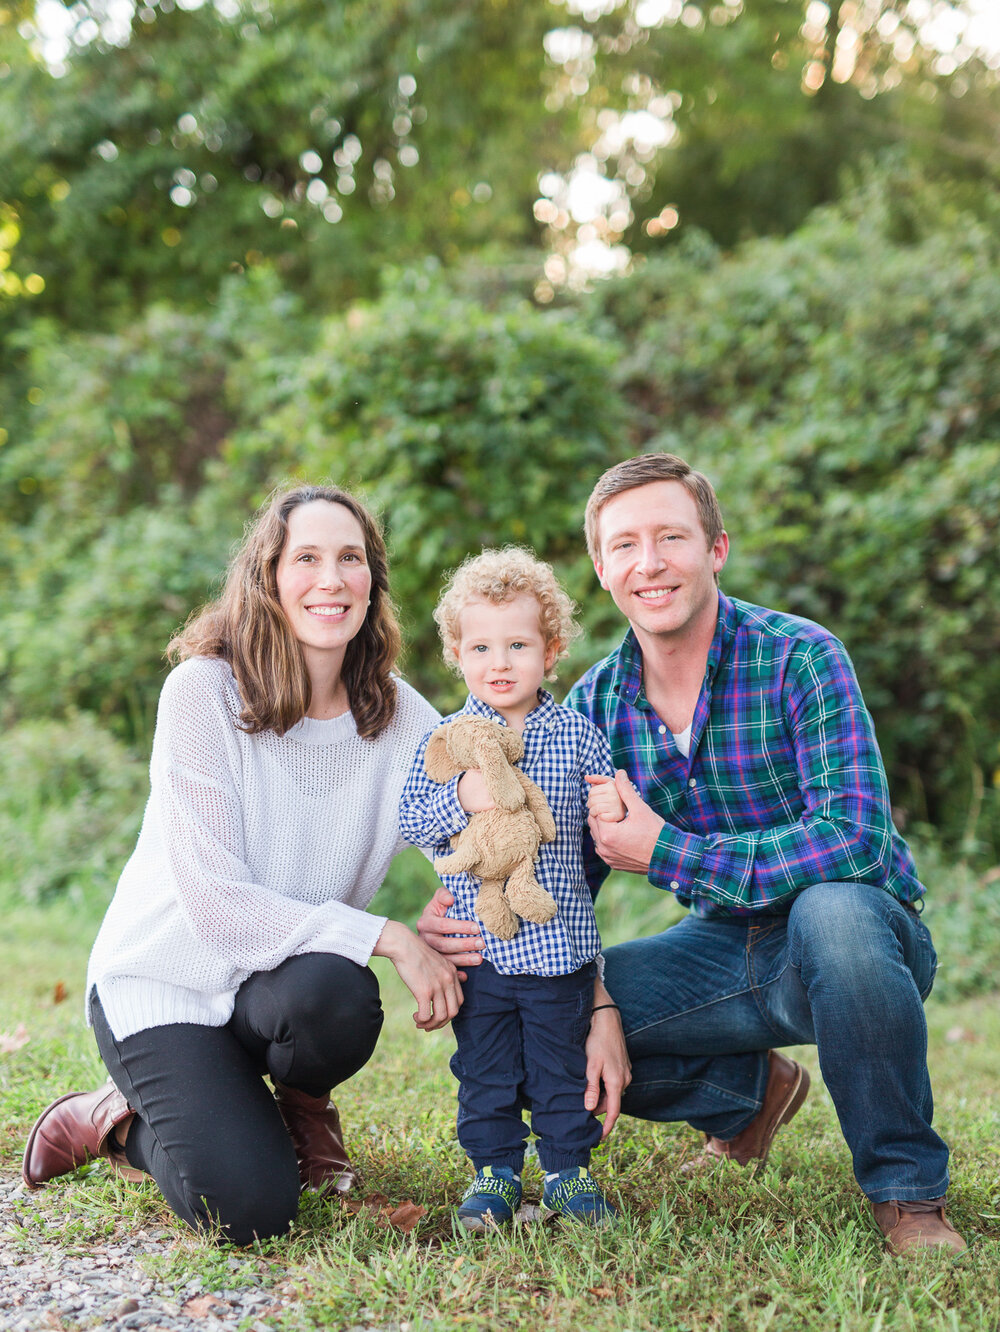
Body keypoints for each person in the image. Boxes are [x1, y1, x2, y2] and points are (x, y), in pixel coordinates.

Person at [420, 454, 965, 1257]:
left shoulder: (801, 656)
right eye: (626, 545)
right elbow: (565, 871)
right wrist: (473, 906)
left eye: (671, 537)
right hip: (722, 952)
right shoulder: (598, 704)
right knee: (550, 1016)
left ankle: (907, 1193)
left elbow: (855, 836)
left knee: (835, 913)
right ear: (603, 570)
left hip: (861, 936)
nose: (650, 563)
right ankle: (749, 1096)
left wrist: (672, 851)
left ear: (715, 549)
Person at [22, 484, 463, 1245]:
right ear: (269, 578)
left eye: (350, 559)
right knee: (253, 1211)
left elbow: (469, 835)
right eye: (308, 559)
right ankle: (115, 1120)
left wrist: (491, 912)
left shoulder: (399, 716)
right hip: (165, 982)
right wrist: (390, 934)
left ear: (372, 582)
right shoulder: (203, 694)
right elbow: (221, 908)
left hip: (276, 989)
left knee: (336, 992)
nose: (332, 579)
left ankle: (297, 1100)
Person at [398, 548, 625, 1229]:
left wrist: (613, 808)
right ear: (459, 654)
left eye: (519, 645)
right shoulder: (446, 742)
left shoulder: (579, 736)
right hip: (482, 949)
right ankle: (495, 1172)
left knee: (559, 1065)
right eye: (482, 647)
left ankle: (565, 1172)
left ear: (550, 652)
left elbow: (600, 827)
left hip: (559, 948)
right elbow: (413, 817)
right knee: (487, 1069)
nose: (500, 662)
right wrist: (464, 796)